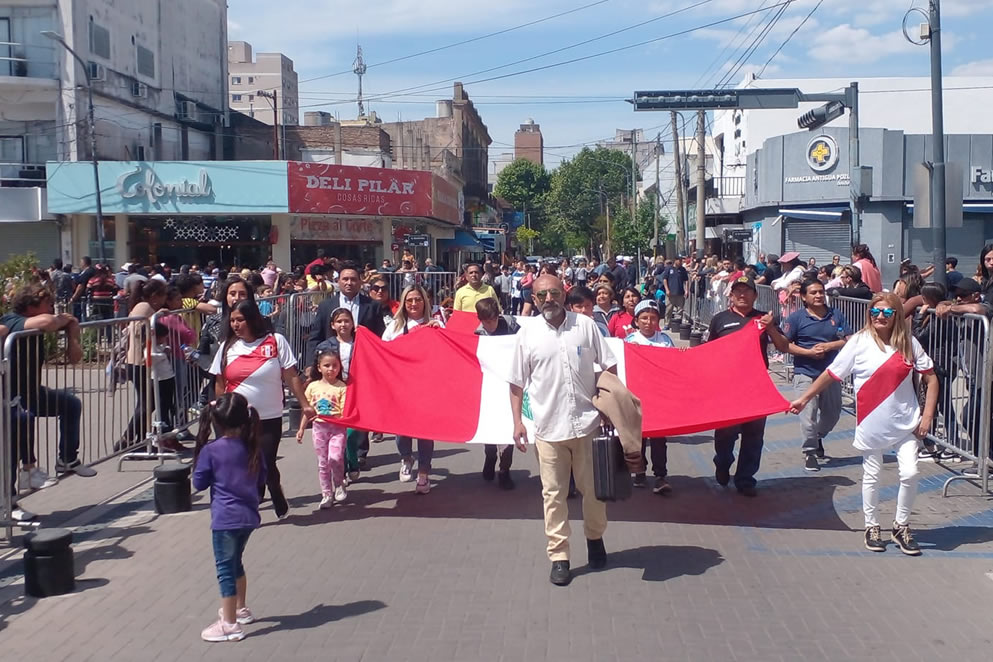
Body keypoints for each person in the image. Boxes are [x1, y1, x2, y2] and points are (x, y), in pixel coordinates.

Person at [790, 293, 938, 555]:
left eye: (887, 313)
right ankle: (872, 526)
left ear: (896, 316)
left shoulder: (909, 343)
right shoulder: (859, 342)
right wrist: (804, 398)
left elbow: (931, 378)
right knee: (872, 474)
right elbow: (831, 374)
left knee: (910, 473)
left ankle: (901, 525)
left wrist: (927, 416)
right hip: (871, 421)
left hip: (907, 420)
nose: (880, 317)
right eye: (875, 312)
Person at [509, 274, 617, 587]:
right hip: (548, 429)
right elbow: (516, 382)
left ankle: (595, 539)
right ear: (534, 296)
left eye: (554, 293)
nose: (548, 300)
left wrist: (609, 405)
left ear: (563, 293)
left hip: (587, 424)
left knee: (594, 490)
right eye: (541, 295)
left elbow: (608, 365)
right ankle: (559, 556)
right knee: (553, 495)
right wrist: (517, 422)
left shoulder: (585, 326)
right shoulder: (527, 335)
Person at [211, 299, 314, 520]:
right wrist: (221, 411)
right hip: (237, 419)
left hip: (269, 416)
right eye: (232, 321)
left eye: (240, 320)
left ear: (253, 319)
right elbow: (219, 382)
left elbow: (291, 375)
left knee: (265, 463)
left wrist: (304, 404)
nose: (236, 325)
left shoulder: (275, 341)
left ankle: (275, 490)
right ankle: (250, 506)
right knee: (241, 465)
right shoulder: (227, 347)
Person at [2, 285, 94, 495]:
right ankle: (10, 498)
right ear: (31, 306)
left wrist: (72, 334)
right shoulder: (11, 320)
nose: (53, 308)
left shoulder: (37, 324)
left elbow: (75, 358)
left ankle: (67, 459)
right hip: (10, 396)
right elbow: (49, 321)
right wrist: (66, 319)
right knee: (18, 433)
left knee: (70, 404)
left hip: (32, 392)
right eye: (48, 304)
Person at [192, 393, 265, 643]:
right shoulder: (253, 446)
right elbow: (263, 477)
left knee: (225, 569)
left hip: (225, 518)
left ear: (217, 422)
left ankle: (230, 623)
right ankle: (240, 609)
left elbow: (198, 483)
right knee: (236, 563)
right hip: (249, 516)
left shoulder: (211, 451)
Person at [706, 275, 788, 496]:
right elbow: (708, 352)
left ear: (755, 295)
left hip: (755, 388)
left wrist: (770, 328)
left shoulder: (765, 318)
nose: (742, 295)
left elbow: (783, 346)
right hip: (727, 388)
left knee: (753, 437)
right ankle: (722, 464)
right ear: (731, 295)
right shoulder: (720, 320)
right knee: (725, 436)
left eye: (747, 291)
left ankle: (745, 479)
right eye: (738, 291)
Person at [781, 279, 852, 471]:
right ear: (804, 297)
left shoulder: (836, 315)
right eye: (813, 293)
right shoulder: (796, 319)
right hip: (805, 372)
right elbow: (784, 344)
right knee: (808, 415)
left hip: (831, 372)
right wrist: (808, 353)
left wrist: (830, 346)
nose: (819, 295)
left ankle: (818, 437)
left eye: (821, 292)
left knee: (832, 415)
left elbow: (849, 340)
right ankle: (810, 452)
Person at [383, 285, 444, 493]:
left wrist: (439, 332)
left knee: (425, 431)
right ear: (403, 303)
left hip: (427, 387)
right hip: (402, 386)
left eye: (418, 299)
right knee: (402, 429)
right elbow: (382, 351)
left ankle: (424, 472)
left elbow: (447, 353)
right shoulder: (395, 326)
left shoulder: (435, 323)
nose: (414, 304)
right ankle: (406, 458)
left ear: (424, 302)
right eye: (409, 300)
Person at [624, 300, 674, 494]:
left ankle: (661, 475)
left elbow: (673, 362)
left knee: (660, 438)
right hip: (638, 397)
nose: (648, 322)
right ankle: (639, 471)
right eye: (644, 318)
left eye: (653, 318)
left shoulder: (665, 340)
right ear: (636, 321)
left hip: (659, 397)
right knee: (639, 437)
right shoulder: (630, 341)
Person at [474, 298, 519, 490]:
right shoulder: (478, 333)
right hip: (489, 386)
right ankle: (490, 456)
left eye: (493, 320)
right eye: (486, 321)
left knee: (508, 434)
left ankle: (505, 470)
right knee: (491, 430)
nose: (490, 324)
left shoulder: (510, 325)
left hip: (509, 383)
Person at [298, 349, 349, 508]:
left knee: (335, 458)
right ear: (319, 367)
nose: (331, 369)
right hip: (319, 428)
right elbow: (308, 410)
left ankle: (339, 482)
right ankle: (327, 494)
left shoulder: (342, 387)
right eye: (326, 365)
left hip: (337, 429)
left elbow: (345, 411)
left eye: (335, 365)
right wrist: (301, 428)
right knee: (322, 463)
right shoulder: (313, 387)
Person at [661, 256, 689, 331]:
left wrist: (686, 290)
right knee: (669, 309)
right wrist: (667, 289)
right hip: (671, 293)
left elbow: (686, 280)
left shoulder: (682, 270)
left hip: (680, 292)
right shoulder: (669, 269)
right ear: (675, 261)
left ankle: (677, 324)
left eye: (681, 261)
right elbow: (665, 279)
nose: (680, 262)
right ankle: (667, 324)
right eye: (679, 261)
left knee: (680, 310)